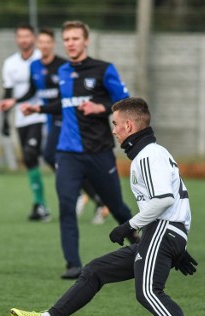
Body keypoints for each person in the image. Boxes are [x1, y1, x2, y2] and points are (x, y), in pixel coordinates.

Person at [10, 97, 205, 316]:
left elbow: (164, 199)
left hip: (162, 230)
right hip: (162, 233)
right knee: (95, 271)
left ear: (129, 125)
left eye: (115, 124)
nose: (113, 130)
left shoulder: (149, 155)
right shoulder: (150, 153)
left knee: (148, 291)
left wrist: (129, 225)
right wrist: (176, 246)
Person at [21, 20, 137, 279]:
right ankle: (73, 265)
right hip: (68, 152)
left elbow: (125, 102)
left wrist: (102, 107)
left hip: (99, 152)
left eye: (76, 38)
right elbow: (64, 104)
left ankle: (141, 248)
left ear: (86, 41)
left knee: (117, 206)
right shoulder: (63, 71)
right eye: (68, 39)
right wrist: (37, 108)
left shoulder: (103, 69)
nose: (71, 43)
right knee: (65, 204)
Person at [0, 24, 50, 222]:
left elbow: (35, 90)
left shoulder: (40, 60)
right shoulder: (10, 63)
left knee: (37, 155)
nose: (23, 40)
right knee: (30, 160)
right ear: (16, 39)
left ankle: (43, 204)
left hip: (41, 116)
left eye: (27, 36)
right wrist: (5, 119)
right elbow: (8, 93)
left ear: (34, 38)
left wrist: (16, 102)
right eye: (20, 36)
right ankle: (41, 205)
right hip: (21, 119)